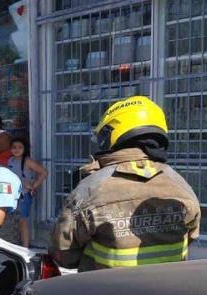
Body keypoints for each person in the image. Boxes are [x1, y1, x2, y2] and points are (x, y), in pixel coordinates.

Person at [49, 96, 201, 272]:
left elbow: (63, 255)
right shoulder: (180, 183)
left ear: (113, 133)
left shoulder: (91, 188)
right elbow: (191, 236)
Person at [8, 138, 48, 248]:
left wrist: (34, 185)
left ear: (24, 149)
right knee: (15, 221)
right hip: (13, 196)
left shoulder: (27, 161)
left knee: (23, 220)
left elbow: (44, 172)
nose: (17, 150)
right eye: (14, 147)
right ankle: (17, 244)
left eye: (20, 147)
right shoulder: (10, 160)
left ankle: (25, 247)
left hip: (24, 195)